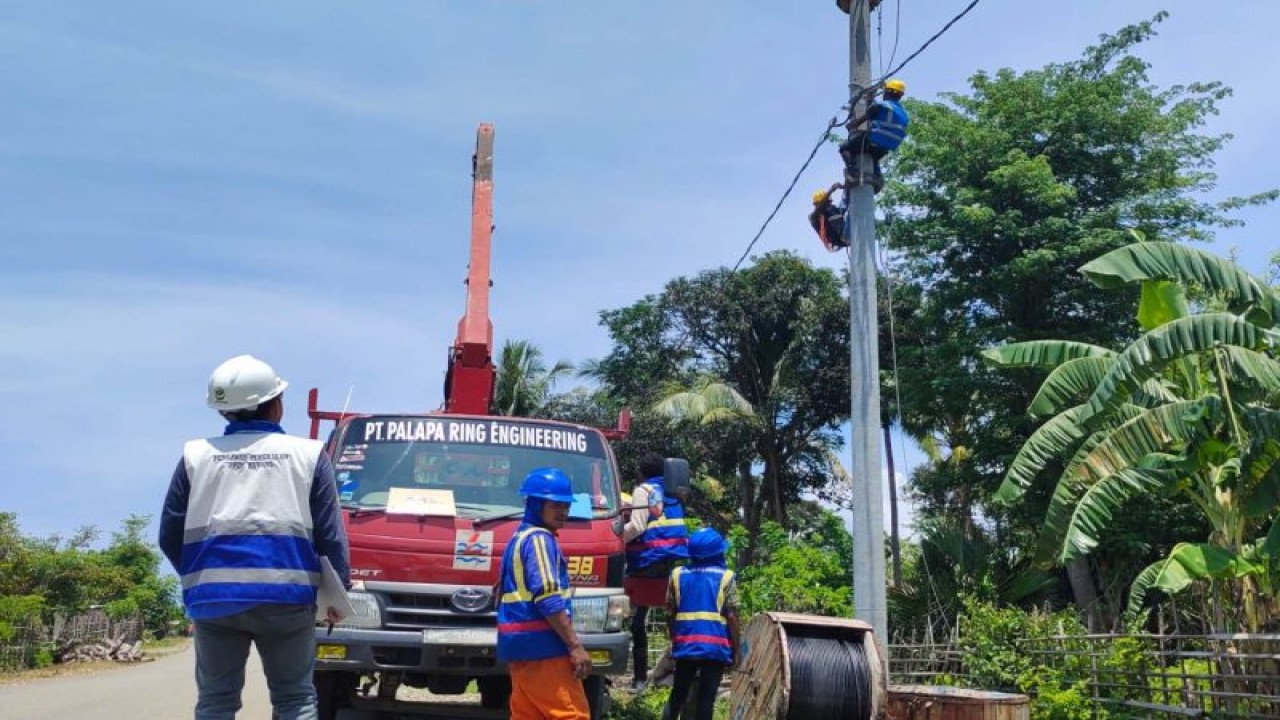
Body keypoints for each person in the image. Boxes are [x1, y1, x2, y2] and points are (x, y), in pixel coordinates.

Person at [159, 354, 351, 720]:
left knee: (216, 702)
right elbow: (330, 536)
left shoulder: (195, 455)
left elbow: (170, 532)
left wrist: (202, 579)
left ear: (223, 411)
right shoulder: (308, 455)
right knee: (295, 700)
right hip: (287, 597)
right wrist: (336, 595)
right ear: (276, 403)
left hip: (215, 599)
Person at [497, 467, 592, 719]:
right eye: (556, 505)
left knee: (528, 715)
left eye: (565, 505)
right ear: (537, 505)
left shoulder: (518, 539)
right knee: (569, 714)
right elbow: (547, 598)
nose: (564, 512)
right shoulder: (540, 540)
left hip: (520, 647)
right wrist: (574, 645)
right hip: (544, 647)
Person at [622, 452, 690, 692]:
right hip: (671, 562)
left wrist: (616, 538)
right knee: (673, 617)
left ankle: (639, 680)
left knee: (636, 620)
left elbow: (637, 526)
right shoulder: (675, 490)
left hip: (647, 560)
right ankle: (678, 674)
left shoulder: (644, 490)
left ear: (641, 474)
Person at [663, 528, 740, 720]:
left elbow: (670, 613)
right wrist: (736, 649)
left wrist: (675, 640)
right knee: (706, 701)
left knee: (678, 695)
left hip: (686, 645)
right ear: (717, 552)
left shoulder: (677, 575)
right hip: (716, 649)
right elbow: (732, 616)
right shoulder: (726, 577)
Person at [839, 78, 910, 192]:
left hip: (874, 140)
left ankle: (853, 172)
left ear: (887, 92)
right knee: (873, 158)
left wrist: (849, 125)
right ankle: (877, 177)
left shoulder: (881, 106)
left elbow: (859, 121)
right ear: (900, 96)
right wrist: (870, 100)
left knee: (844, 148)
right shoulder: (904, 113)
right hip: (887, 147)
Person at [809, 183, 848, 250]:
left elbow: (842, 208)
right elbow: (821, 206)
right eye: (827, 203)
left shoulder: (831, 209)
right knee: (851, 213)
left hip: (842, 235)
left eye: (829, 202)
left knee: (846, 198)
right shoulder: (813, 217)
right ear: (817, 204)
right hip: (839, 240)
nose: (830, 205)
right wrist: (832, 189)